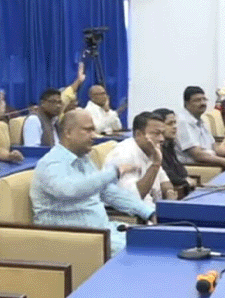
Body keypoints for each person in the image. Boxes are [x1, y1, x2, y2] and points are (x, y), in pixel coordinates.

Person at [30, 109, 154, 254]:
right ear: (68, 133)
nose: (94, 135)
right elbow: (71, 190)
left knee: (156, 243)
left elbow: (107, 192)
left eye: (93, 130)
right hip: (75, 241)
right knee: (148, 253)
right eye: (87, 130)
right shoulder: (51, 164)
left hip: (103, 233)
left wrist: (147, 212)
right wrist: (115, 172)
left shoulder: (83, 159)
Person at [103, 112, 174, 207]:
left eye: (162, 133)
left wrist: (170, 194)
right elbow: (133, 197)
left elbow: (164, 181)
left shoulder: (149, 150)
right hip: (129, 213)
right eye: (156, 133)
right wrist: (156, 164)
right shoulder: (124, 154)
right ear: (138, 134)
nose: (162, 139)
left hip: (152, 209)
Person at [176, 86, 225, 168]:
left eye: (204, 99)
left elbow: (215, 148)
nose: (203, 103)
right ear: (187, 103)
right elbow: (198, 155)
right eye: (197, 100)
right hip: (197, 167)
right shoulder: (183, 122)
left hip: (210, 161)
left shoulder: (199, 120)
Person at [152, 108, 193, 190]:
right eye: (170, 124)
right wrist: (184, 181)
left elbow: (180, 169)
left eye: (175, 123)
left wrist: (185, 178)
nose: (174, 127)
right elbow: (166, 173)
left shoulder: (169, 144)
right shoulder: (154, 147)